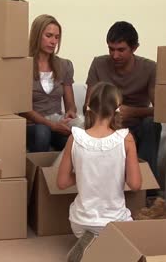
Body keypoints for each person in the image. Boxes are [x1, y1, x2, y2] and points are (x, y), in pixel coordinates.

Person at [57, 82, 142, 262]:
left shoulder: (75, 137)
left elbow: (62, 182)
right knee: (131, 245)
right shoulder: (125, 138)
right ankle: (106, 248)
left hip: (80, 222)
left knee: (101, 242)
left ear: (89, 107)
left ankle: (91, 244)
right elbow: (135, 184)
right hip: (114, 223)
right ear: (118, 109)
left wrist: (83, 173)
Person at [84, 21, 161, 183]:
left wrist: (132, 111)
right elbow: (88, 106)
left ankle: (148, 186)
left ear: (134, 48)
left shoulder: (150, 68)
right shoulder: (98, 64)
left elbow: (160, 110)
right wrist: (107, 115)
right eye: (111, 49)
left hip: (137, 126)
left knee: (152, 124)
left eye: (121, 50)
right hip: (106, 124)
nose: (115, 55)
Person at [20, 14, 78, 152]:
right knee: (43, 132)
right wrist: (51, 125)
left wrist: (70, 113)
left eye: (57, 37)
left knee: (77, 138)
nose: (53, 41)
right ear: (37, 35)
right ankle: (38, 173)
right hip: (32, 126)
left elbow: (71, 105)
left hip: (57, 123)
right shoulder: (23, 65)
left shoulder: (64, 65)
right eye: (49, 35)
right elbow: (23, 109)